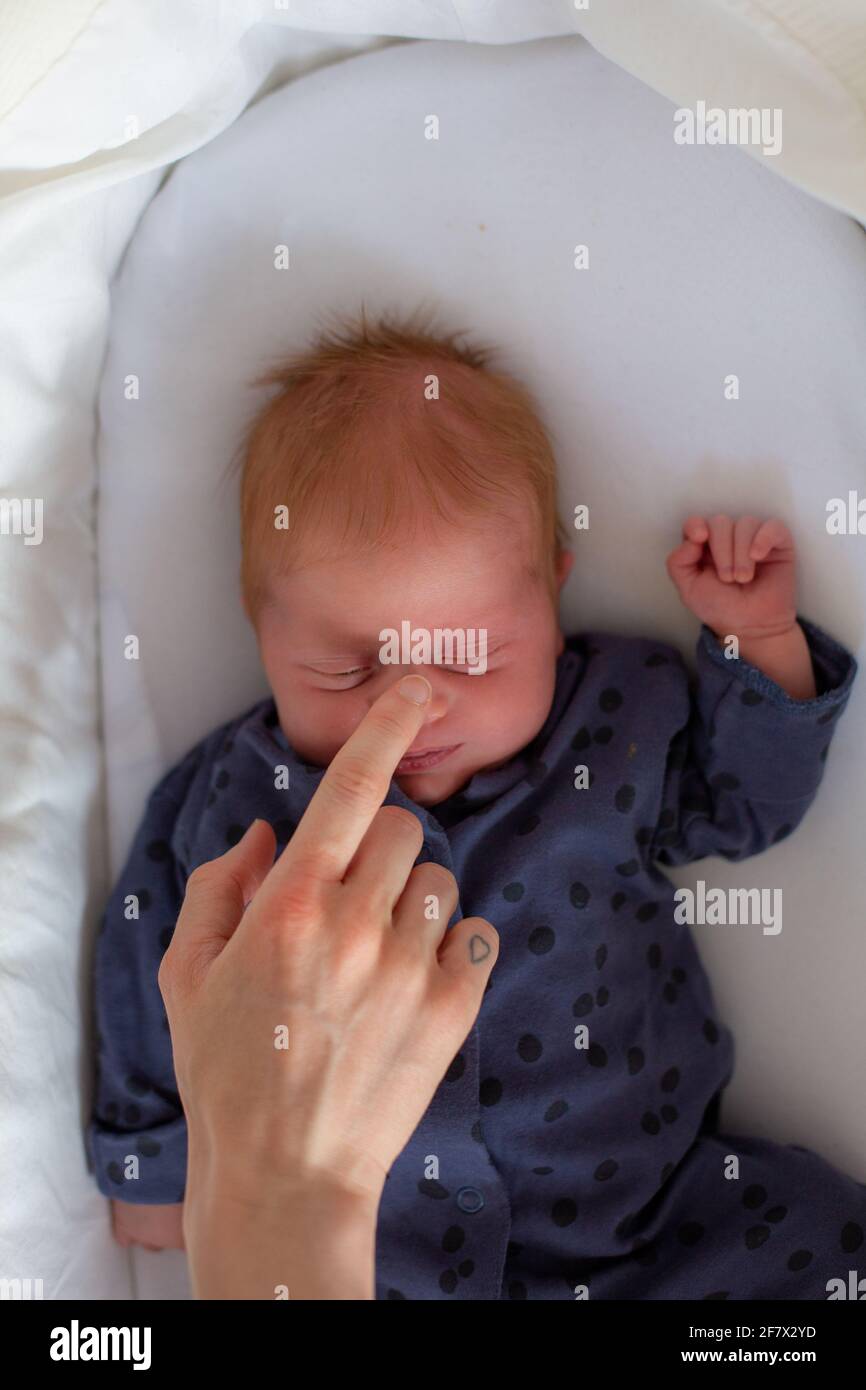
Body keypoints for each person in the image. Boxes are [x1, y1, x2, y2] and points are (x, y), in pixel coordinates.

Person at [158, 672, 499, 1299]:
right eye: (345, 669)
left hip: (631, 1226)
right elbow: (165, 958)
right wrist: (145, 1160)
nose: (411, 706)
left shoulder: (615, 727)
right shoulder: (238, 781)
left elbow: (733, 807)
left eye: (472, 657)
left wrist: (743, 647)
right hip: (396, 1261)